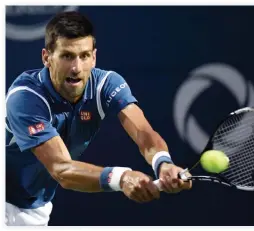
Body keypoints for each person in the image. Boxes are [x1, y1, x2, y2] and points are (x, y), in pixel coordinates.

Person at [5, 11, 192, 226]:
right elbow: (62, 169)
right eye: (67, 56)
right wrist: (122, 178)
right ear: (47, 57)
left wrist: (163, 163)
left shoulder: (107, 84)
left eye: (84, 56)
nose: (76, 68)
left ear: (94, 57)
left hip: (35, 205)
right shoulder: (25, 98)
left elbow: (143, 132)